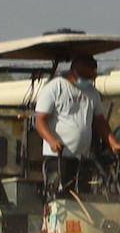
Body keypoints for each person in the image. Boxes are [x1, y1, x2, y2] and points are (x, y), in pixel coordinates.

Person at [32, 50, 115, 182]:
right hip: (59, 158)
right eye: (86, 77)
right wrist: (52, 140)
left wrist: (113, 143)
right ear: (75, 72)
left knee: (81, 194)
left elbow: (99, 121)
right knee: (60, 196)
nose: (90, 80)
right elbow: (40, 121)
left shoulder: (92, 93)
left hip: (82, 158)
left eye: (92, 77)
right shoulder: (55, 87)